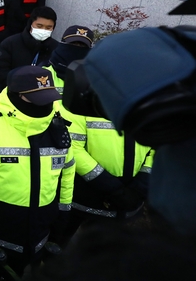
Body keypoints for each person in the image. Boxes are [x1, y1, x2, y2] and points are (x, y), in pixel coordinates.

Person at [0, 66, 74, 280]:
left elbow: (66, 174)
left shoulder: (58, 127)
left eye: (48, 97)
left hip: (40, 230)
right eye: (37, 98)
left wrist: (63, 214)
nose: (45, 104)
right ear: (17, 95)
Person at [43, 26, 153, 241]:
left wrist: (144, 181)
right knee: (64, 250)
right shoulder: (84, 98)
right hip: (86, 193)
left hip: (130, 202)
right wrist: (109, 185)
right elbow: (73, 145)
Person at [0, 6, 59, 94]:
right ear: (31, 23)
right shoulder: (11, 43)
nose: (43, 30)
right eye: (39, 26)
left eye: (48, 28)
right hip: (10, 94)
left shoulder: (56, 48)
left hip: (42, 96)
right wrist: (19, 85)